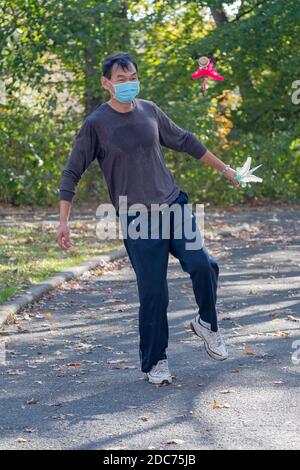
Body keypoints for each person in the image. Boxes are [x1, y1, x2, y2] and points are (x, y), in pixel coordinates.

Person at [56, 52, 240, 386]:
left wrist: (225, 168)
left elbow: (185, 140)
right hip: (137, 217)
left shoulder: (149, 110)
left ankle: (207, 324)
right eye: (121, 79)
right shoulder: (96, 124)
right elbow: (72, 172)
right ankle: (155, 361)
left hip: (173, 205)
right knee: (154, 292)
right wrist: (63, 220)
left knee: (204, 265)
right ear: (106, 83)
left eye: (133, 78)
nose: (129, 84)